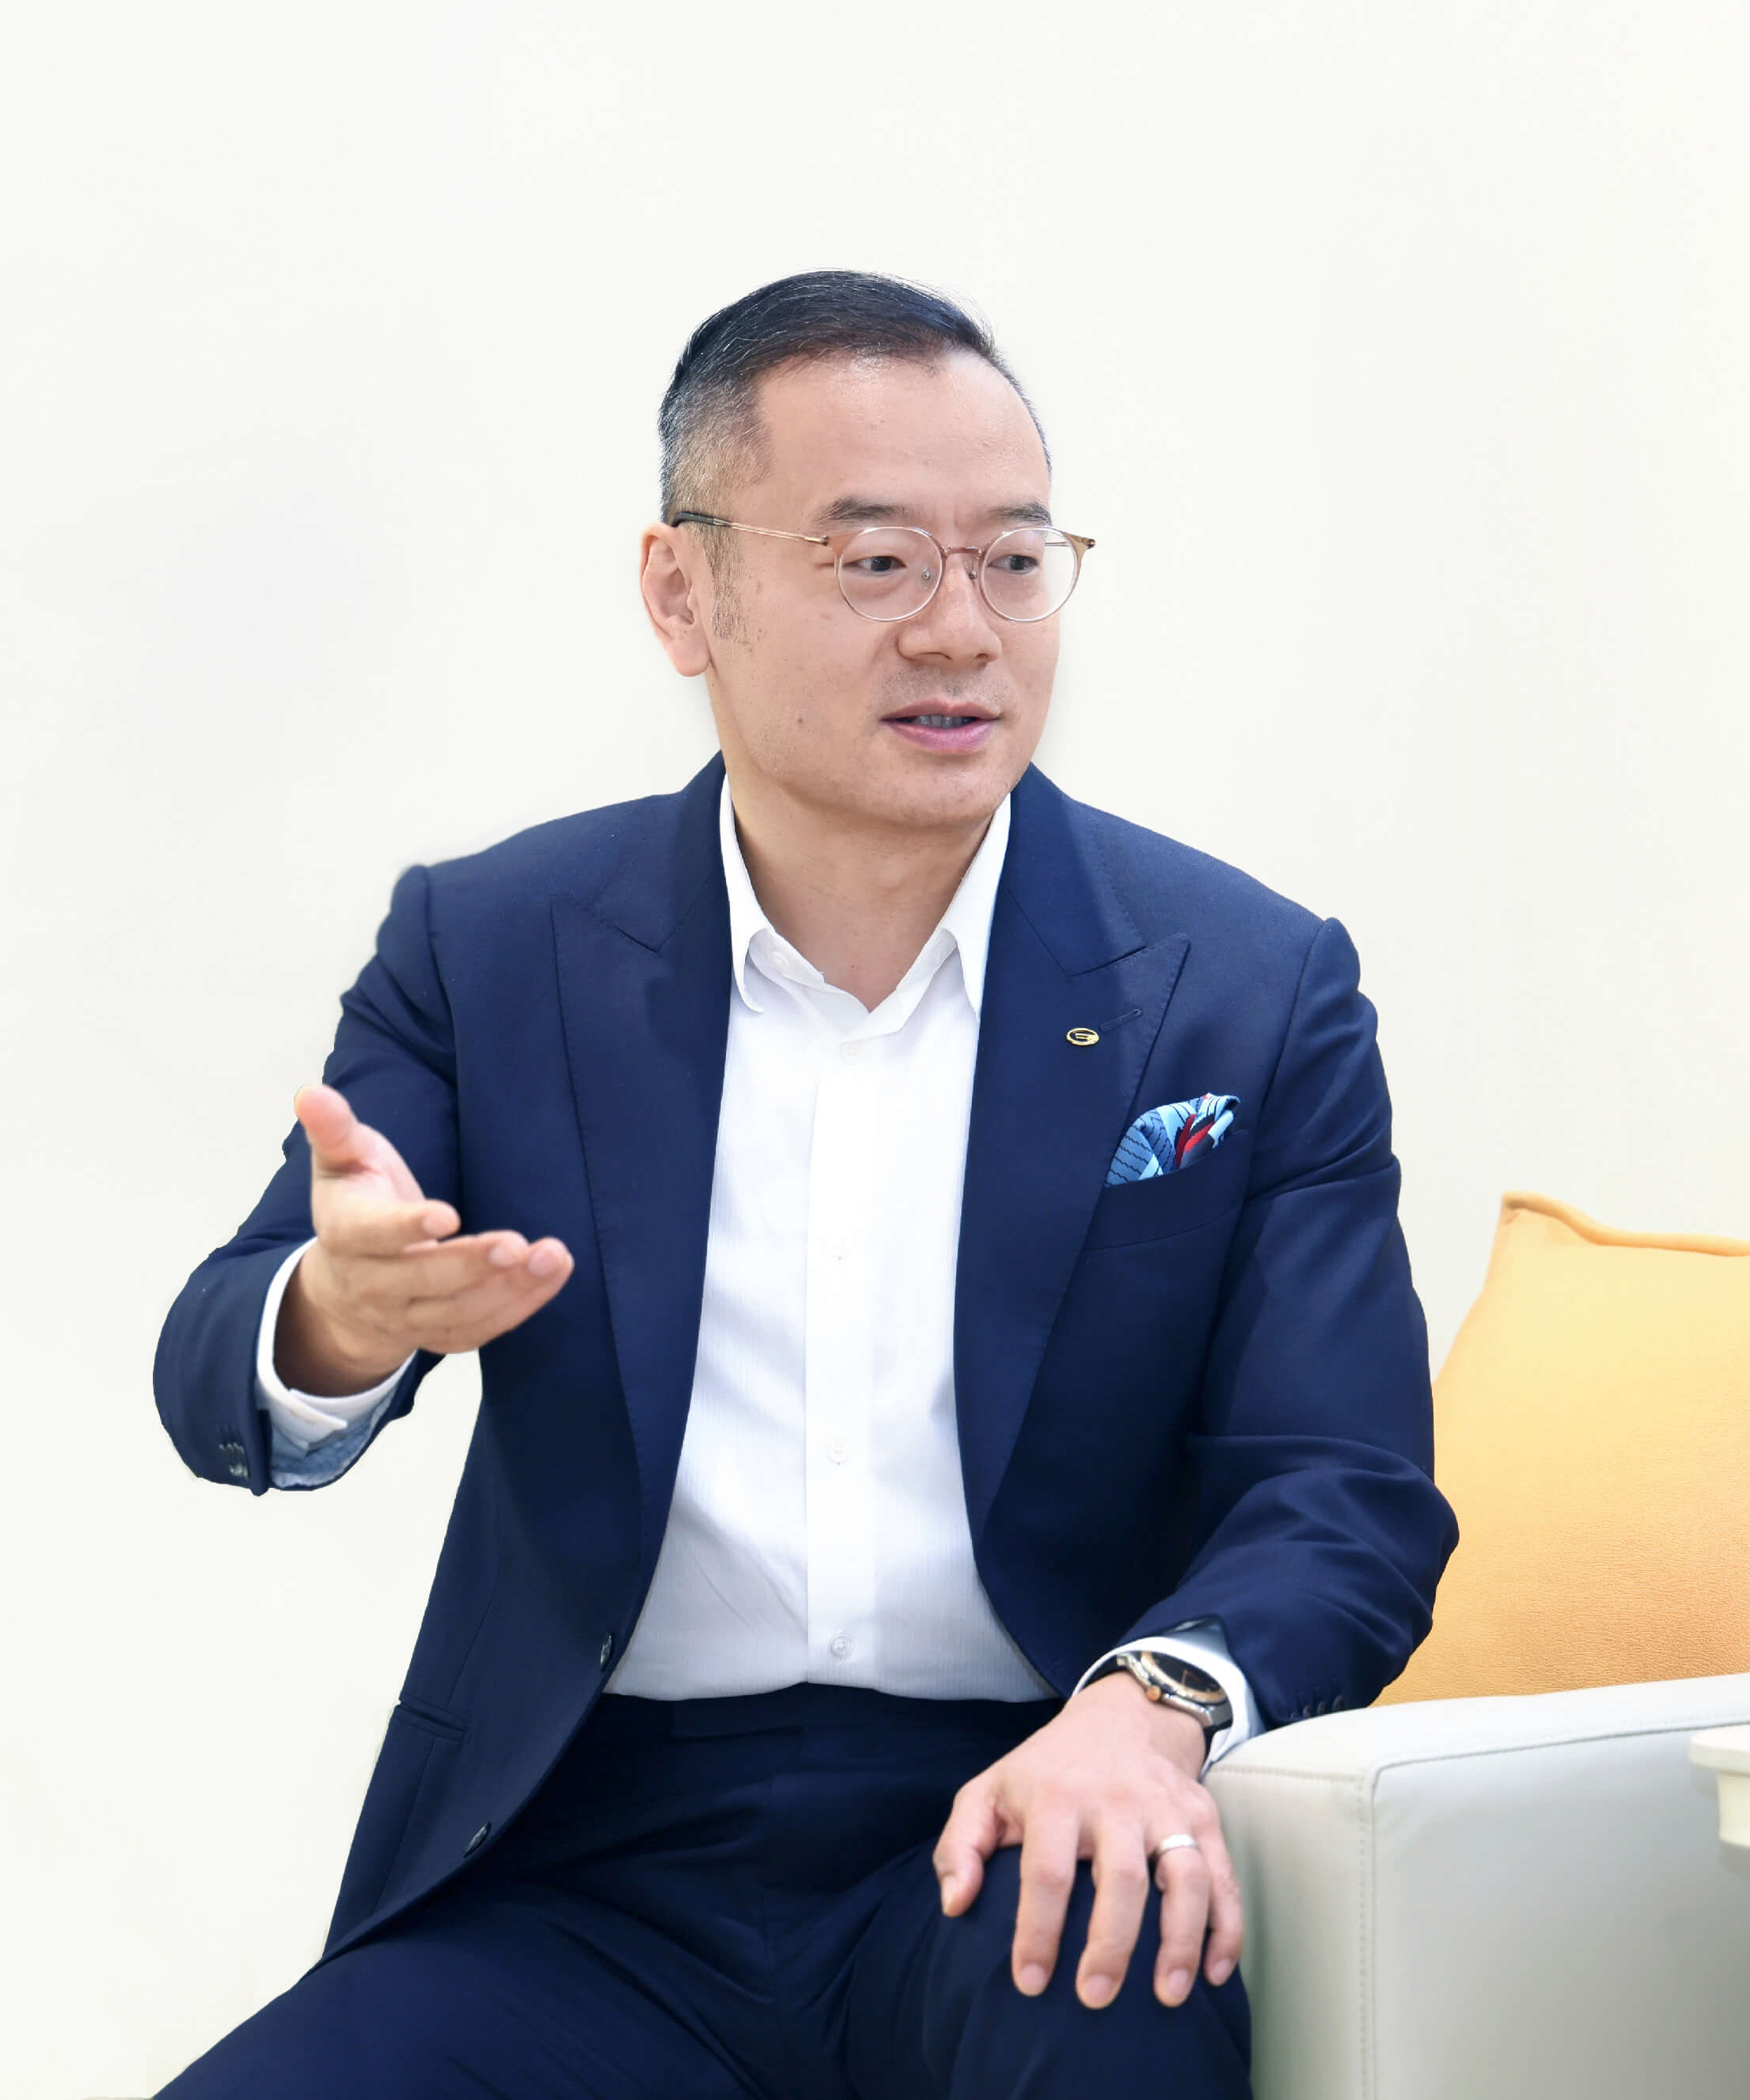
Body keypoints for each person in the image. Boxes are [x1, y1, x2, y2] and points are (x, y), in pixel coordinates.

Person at [150, 270, 1452, 2098]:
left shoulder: (1243, 986)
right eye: (874, 563)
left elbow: (1344, 1491)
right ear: (681, 592)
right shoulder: (496, 946)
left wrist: (1145, 1708)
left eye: (1012, 560)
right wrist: (338, 1319)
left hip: (1027, 1815)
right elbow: (221, 1364)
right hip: (583, 1866)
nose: (959, 630)